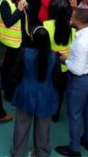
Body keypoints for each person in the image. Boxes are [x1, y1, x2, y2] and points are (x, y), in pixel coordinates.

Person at [55, 9, 88, 157]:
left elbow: (77, 69)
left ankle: (74, 148)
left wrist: (65, 60)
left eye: (72, 18)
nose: (71, 19)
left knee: (74, 114)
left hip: (79, 81)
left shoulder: (81, 42)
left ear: (80, 21)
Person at [11, 27, 58, 157]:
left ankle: (17, 152)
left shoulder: (25, 53)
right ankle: (42, 152)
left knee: (21, 123)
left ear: (33, 39)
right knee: (43, 126)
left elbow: (16, 72)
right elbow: (58, 78)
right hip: (45, 94)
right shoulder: (54, 56)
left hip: (26, 92)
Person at [0, 0, 29, 101]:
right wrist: (19, 10)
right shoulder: (4, 2)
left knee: (13, 66)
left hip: (22, 36)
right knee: (9, 67)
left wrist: (26, 7)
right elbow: (8, 22)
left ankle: (10, 86)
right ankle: (7, 92)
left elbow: (26, 11)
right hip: (11, 41)